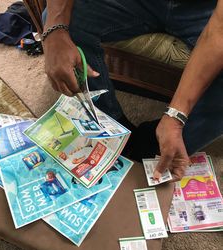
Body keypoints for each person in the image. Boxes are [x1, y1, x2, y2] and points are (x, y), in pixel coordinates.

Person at [42, 0, 223, 181]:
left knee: (156, 152)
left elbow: (219, 30)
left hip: (206, 9)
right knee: (62, 24)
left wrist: (176, 117)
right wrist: (55, 31)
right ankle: (113, 127)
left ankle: (152, 144)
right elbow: (58, 22)